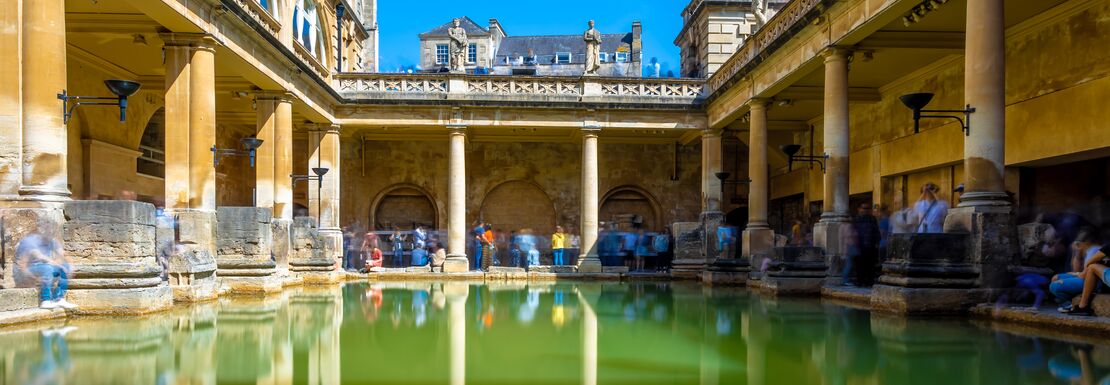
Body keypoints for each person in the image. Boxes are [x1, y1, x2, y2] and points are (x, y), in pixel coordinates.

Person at [17, 230, 77, 309]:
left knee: (65, 267)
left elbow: (62, 254)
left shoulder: (52, 241)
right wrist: (58, 265)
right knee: (48, 268)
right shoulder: (32, 242)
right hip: (32, 268)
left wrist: (70, 265)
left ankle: (59, 299)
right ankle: (46, 300)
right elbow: (40, 256)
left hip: (47, 266)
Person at [1048, 228, 1102, 313]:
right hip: (1085, 276)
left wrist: (1075, 274)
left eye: (1079, 244)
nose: (1077, 246)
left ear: (1087, 243)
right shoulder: (1087, 251)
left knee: (1055, 286)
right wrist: (1076, 253)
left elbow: (1086, 274)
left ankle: (1070, 304)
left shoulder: (1095, 250)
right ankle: (1068, 303)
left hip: (1094, 282)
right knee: (1056, 277)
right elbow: (1077, 269)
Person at [848, 203, 881, 286]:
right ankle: (860, 281)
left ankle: (869, 281)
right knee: (860, 266)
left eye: (867, 208)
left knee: (870, 266)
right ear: (859, 209)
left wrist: (877, 242)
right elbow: (853, 232)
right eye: (864, 208)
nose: (866, 210)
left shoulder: (872, 219)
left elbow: (876, 231)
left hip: (870, 246)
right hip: (860, 246)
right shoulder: (856, 219)